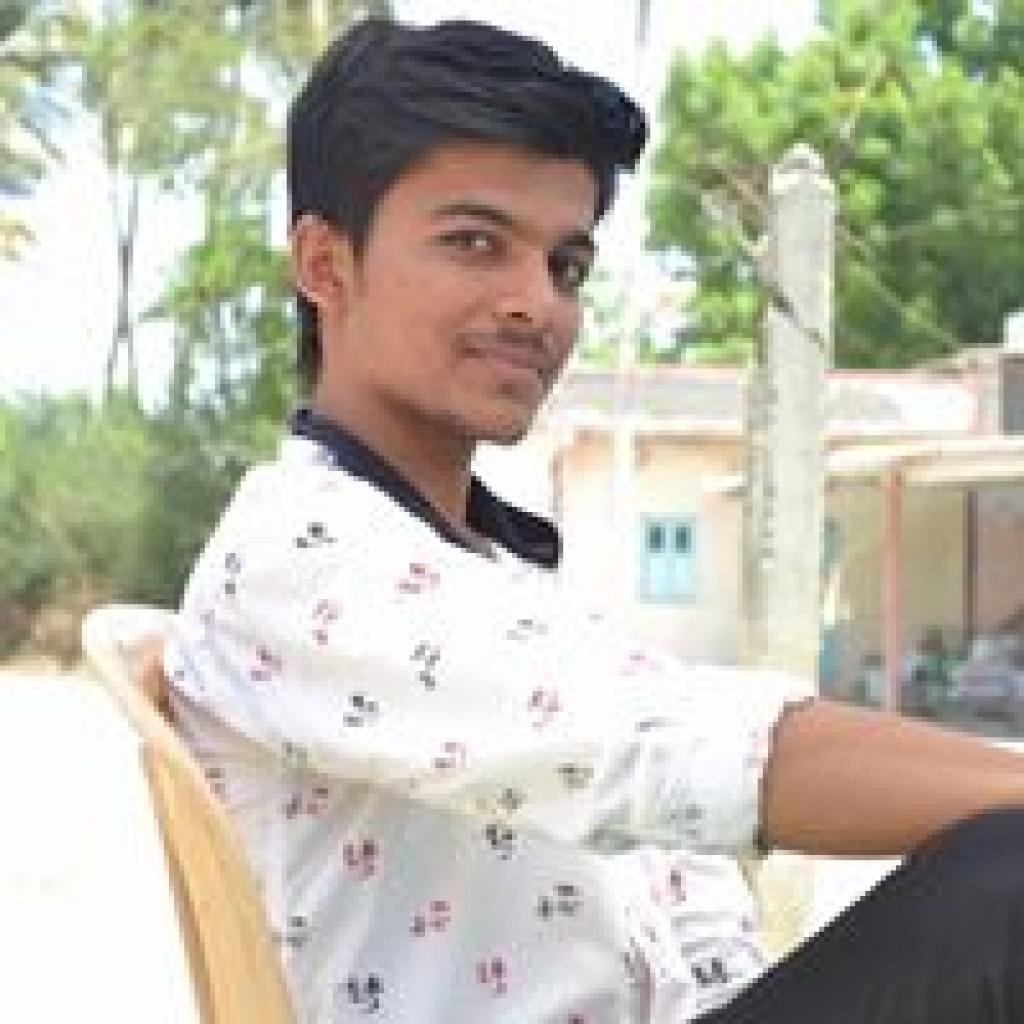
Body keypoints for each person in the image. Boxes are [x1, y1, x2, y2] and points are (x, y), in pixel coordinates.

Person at [163, 18, 1024, 1024]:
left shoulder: (490, 572)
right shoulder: (302, 556)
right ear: (324, 263)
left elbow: (683, 884)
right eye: (475, 243)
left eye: (565, 266)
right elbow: (667, 749)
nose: (535, 304)